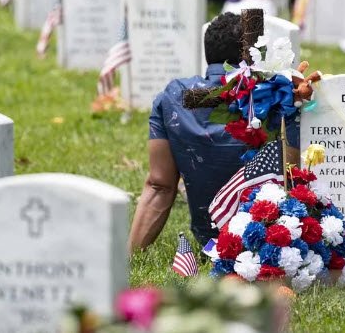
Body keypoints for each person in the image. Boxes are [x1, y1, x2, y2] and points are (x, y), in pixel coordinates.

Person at [128, 13, 300, 251]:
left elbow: (160, 185)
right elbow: (294, 179)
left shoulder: (172, 97)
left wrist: (130, 255)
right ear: (252, 54)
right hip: (272, 241)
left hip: (208, 242)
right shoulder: (277, 96)